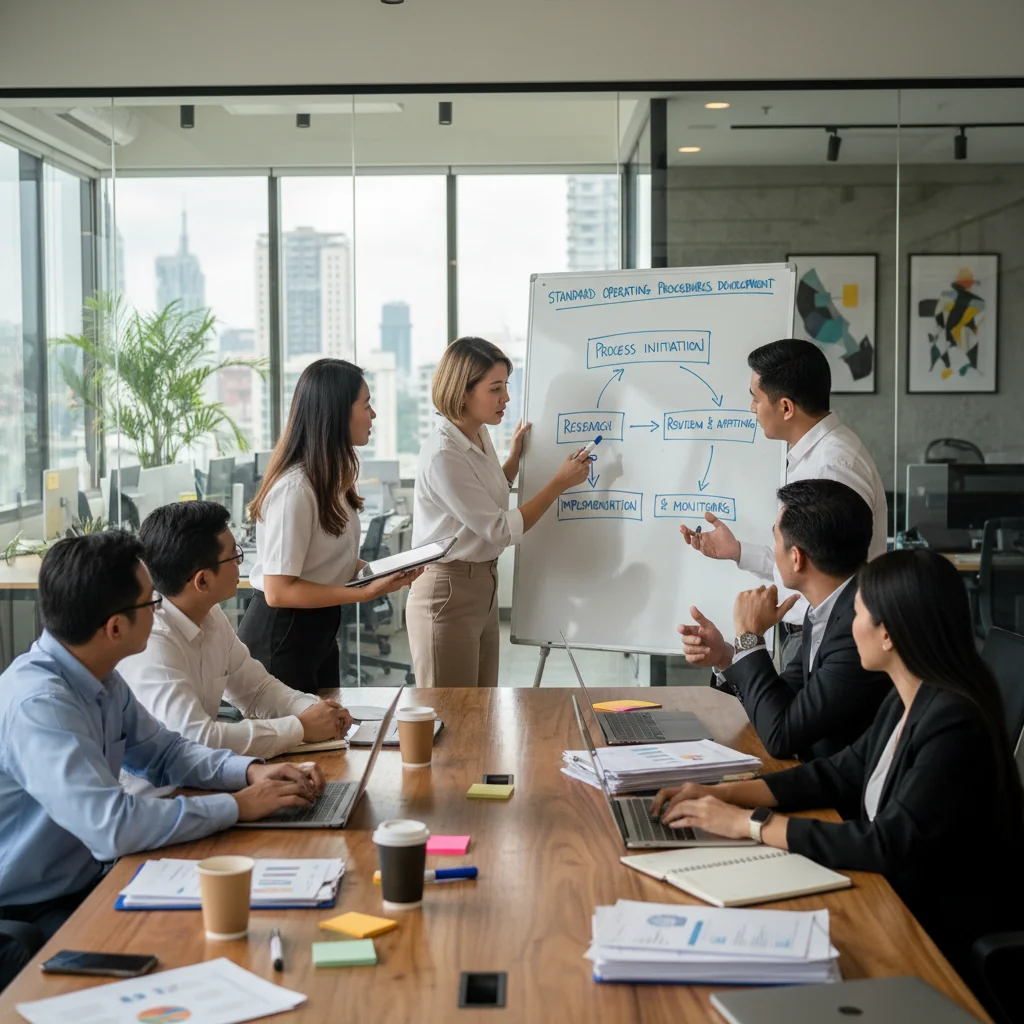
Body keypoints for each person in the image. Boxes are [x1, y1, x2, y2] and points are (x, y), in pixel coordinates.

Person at [654, 549, 1024, 984]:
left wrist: (747, 825)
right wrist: (721, 793)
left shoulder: (954, 722)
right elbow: (834, 774)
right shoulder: (905, 699)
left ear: (888, 634)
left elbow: (886, 843)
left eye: (859, 613)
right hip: (890, 902)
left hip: (930, 938)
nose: (850, 627)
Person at [0, 532, 325, 990]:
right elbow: (113, 826)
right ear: (115, 627)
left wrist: (250, 772)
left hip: (90, 880)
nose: (158, 610)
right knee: (192, 965)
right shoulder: (41, 705)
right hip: (31, 911)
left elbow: (168, 752)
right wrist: (240, 805)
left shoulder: (100, 678)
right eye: (149, 603)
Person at [680, 339, 887, 668]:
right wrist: (737, 551)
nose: (752, 408)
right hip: (812, 634)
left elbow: (831, 573)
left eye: (756, 398)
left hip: (829, 642)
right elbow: (805, 561)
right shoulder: (815, 457)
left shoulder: (831, 468)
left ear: (786, 407)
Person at [407, 336, 591, 687]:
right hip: (449, 591)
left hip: (481, 586)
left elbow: (483, 499)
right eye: (495, 389)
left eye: (505, 386)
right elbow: (499, 529)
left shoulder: (477, 436)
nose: (506, 398)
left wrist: (512, 462)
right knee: (453, 717)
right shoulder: (443, 454)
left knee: (480, 709)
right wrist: (558, 483)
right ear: (463, 393)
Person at [120, 501, 352, 765]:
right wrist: (299, 727)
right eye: (234, 556)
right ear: (202, 581)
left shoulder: (210, 614)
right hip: (155, 796)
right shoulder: (153, 642)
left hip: (202, 781)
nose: (241, 563)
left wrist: (312, 710)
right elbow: (196, 739)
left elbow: (257, 690)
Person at [238, 358, 420, 693]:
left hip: (319, 630)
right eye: (366, 405)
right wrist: (363, 592)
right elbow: (279, 591)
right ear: (337, 412)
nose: (373, 415)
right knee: (305, 743)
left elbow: (328, 561)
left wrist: (381, 572)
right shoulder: (295, 489)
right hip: (283, 638)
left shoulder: (330, 480)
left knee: (330, 738)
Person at [680, 479, 890, 760]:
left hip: (842, 797)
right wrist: (727, 656)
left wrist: (750, 637)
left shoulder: (858, 626)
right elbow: (784, 700)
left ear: (796, 558)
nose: (773, 550)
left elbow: (780, 736)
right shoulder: (831, 609)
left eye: (775, 540)